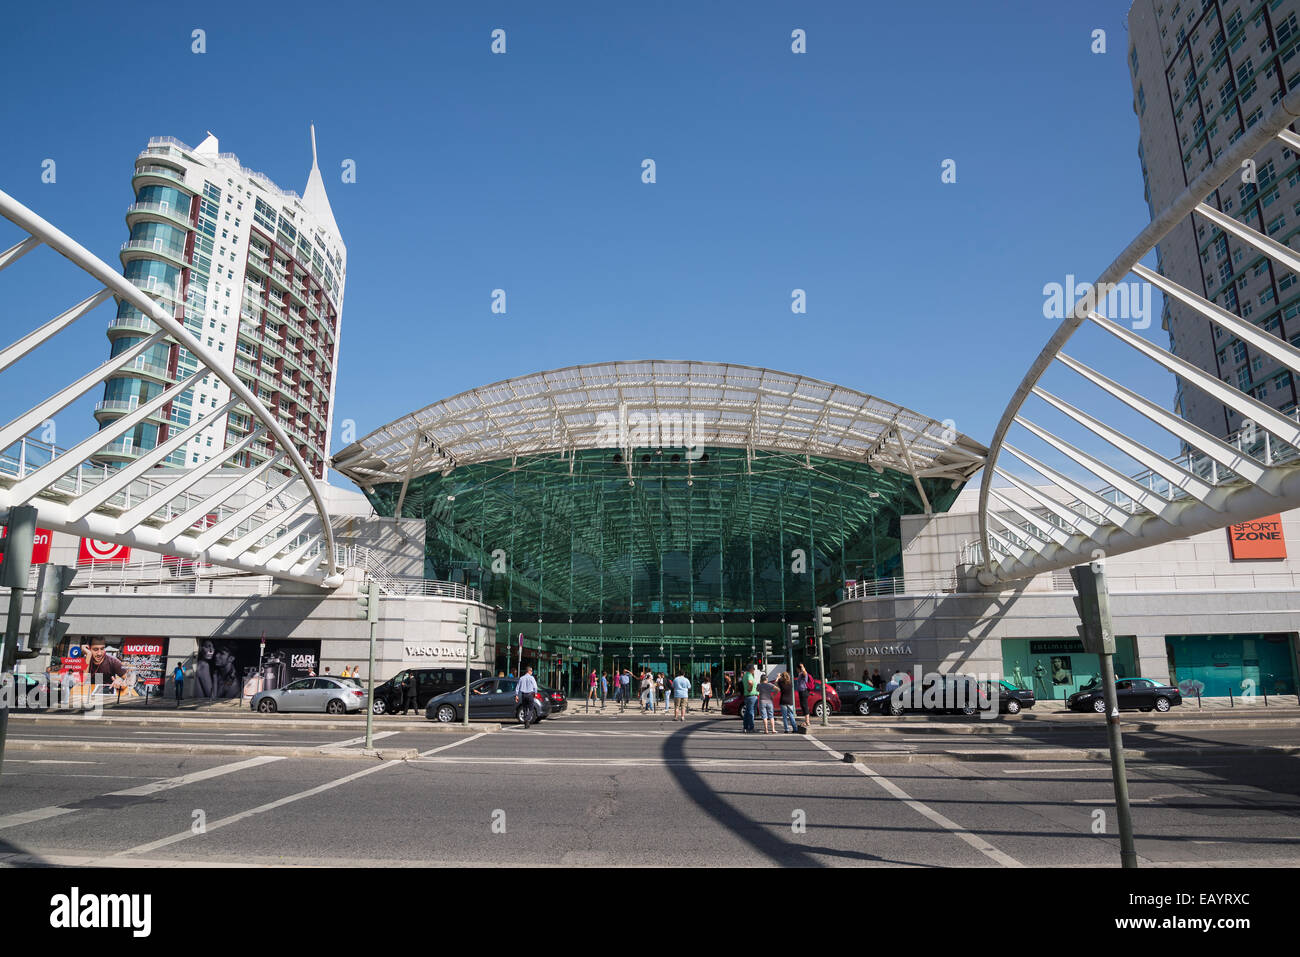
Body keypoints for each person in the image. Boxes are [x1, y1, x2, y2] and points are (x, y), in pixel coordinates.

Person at [741, 662, 760, 733]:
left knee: (747, 712)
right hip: (752, 696)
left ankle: (745, 727)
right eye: (753, 669)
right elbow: (750, 682)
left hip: (748, 696)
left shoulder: (745, 675)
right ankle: (751, 727)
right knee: (752, 712)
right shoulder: (749, 675)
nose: (754, 670)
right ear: (751, 669)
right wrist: (751, 687)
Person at [794, 664, 812, 730]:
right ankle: (806, 720)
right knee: (803, 706)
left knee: (805, 705)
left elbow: (805, 673)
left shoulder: (803, 674)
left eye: (797, 669)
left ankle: (807, 721)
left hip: (804, 691)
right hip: (801, 691)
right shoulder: (799, 674)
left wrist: (802, 667)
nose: (796, 670)